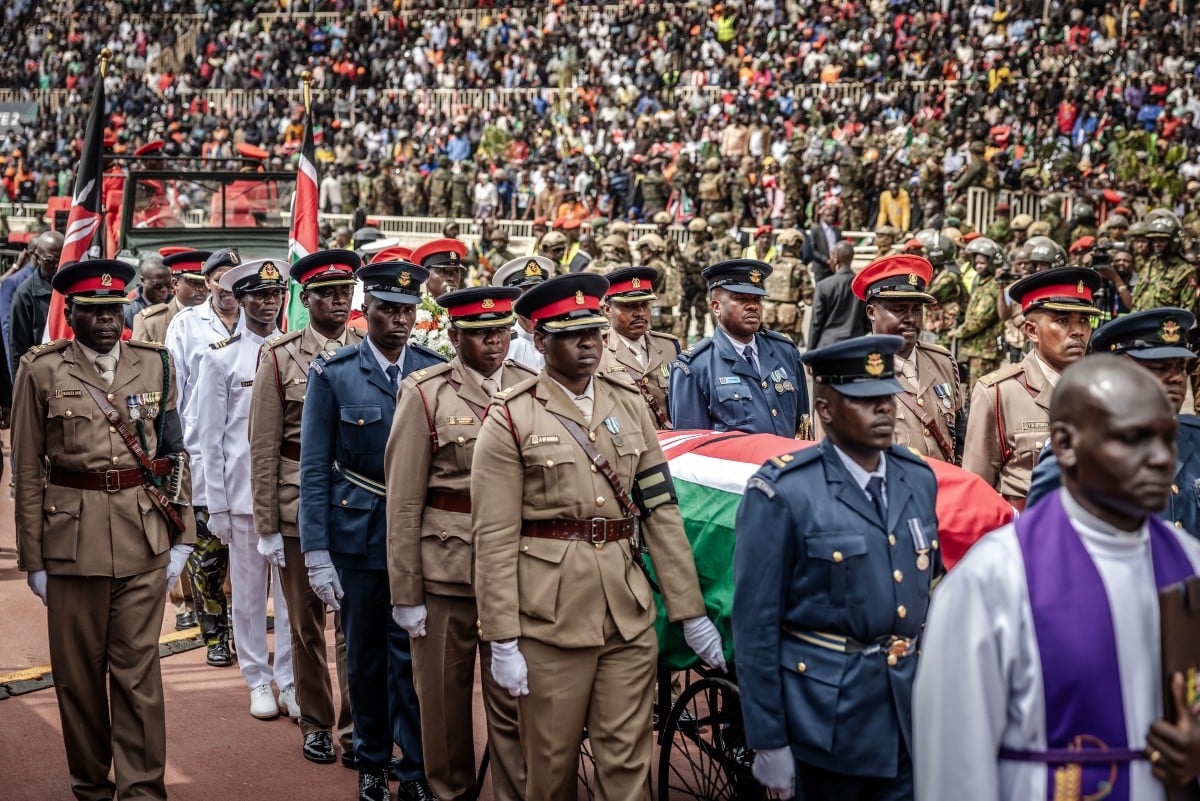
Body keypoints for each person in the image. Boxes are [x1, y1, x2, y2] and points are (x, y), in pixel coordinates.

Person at [471, 273, 725, 801]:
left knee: (627, 766)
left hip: (625, 613)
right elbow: (493, 537)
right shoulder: (512, 415)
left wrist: (690, 611)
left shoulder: (627, 403)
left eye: (593, 331)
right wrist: (502, 638)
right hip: (550, 619)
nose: (589, 343)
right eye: (572, 334)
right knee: (551, 769)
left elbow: (659, 509)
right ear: (541, 340)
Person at [914, 355, 1200, 801]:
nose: (1162, 459)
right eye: (1134, 439)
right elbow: (954, 764)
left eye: (1167, 439)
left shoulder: (1189, 561)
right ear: (1065, 444)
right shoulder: (993, 578)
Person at [13, 258, 195, 801]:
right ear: (72, 314)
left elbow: (174, 452)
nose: (108, 320)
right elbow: (27, 470)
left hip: (143, 536)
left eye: (115, 309)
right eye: (94, 311)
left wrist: (183, 535)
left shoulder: (156, 364)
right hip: (71, 544)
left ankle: (142, 789)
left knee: (139, 673)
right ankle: (91, 785)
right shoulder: (42, 370)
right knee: (79, 677)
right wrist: (33, 560)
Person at [734, 333, 941, 801]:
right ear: (825, 409)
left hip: (907, 708)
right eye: (865, 400)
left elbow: (932, 586)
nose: (883, 409)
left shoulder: (917, 477)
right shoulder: (783, 491)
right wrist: (768, 739)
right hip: (827, 718)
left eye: (888, 397)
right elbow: (755, 625)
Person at [299, 258, 442, 801]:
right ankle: (372, 763)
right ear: (367, 310)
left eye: (408, 311)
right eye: (387, 310)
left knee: (413, 657)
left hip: (419, 536)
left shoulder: (432, 371)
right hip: (357, 534)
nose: (399, 321)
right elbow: (315, 468)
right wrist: (316, 550)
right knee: (364, 656)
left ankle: (416, 768)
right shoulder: (334, 373)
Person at [385, 285, 535, 801]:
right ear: (453, 336)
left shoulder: (531, 386)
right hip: (447, 569)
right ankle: (450, 793)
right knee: (443, 706)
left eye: (502, 331)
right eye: (480, 333)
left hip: (514, 567)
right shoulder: (426, 393)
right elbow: (403, 501)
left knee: (515, 702)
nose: (494, 342)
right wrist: (405, 592)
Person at [249, 250, 363, 764]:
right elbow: (263, 446)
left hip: (357, 504)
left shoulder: (366, 349)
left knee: (355, 625)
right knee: (306, 623)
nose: (338, 301)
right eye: (327, 293)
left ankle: (359, 729)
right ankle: (316, 722)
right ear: (306, 298)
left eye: (345, 292)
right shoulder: (279, 356)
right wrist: (267, 525)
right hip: (297, 504)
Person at [195, 257, 296, 720]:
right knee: (250, 595)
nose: (268, 303)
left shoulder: (295, 353)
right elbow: (209, 439)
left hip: (288, 496)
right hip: (242, 497)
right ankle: (257, 677)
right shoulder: (221, 357)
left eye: (275, 294)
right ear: (241, 299)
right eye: (259, 295)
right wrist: (215, 505)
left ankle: (289, 678)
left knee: (292, 598)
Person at [1026, 309, 1200, 537]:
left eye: (1180, 367)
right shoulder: (1079, 450)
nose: (1176, 378)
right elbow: (1041, 538)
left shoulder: (1195, 437)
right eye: (1160, 367)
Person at [962, 268, 1102, 508]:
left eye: (1084, 320)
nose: (1078, 331)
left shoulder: (1101, 389)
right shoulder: (999, 392)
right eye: (1062, 321)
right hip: (1028, 525)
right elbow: (977, 490)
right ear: (1032, 331)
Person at [164, 247, 243, 667]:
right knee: (207, 553)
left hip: (246, 454)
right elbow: (172, 391)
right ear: (208, 282)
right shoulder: (186, 324)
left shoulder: (259, 320)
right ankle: (215, 634)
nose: (226, 287)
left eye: (234, 279)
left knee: (248, 554)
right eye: (219, 278)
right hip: (199, 451)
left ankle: (244, 629)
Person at [670, 259, 809, 436]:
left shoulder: (785, 351)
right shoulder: (694, 366)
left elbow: (803, 428)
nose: (753, 306)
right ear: (716, 307)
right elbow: (693, 443)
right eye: (741, 299)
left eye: (757, 299)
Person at [853, 255, 962, 462]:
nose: (911, 318)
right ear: (871, 312)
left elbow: (959, 437)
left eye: (917, 309)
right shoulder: (851, 373)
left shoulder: (942, 362)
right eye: (899, 309)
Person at [598, 266, 681, 429]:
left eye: (645, 304)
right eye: (629, 306)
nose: (640, 313)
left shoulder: (668, 347)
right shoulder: (598, 352)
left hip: (671, 440)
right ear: (607, 309)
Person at [951, 236, 1007, 389]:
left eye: (983, 263)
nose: (978, 266)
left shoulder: (992, 286)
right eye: (976, 263)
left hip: (985, 350)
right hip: (978, 348)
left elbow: (981, 318)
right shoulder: (983, 282)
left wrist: (958, 332)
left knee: (980, 389)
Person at [8, 229, 63, 375]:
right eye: (51, 261)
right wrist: (21, 384)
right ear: (38, 258)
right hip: (41, 375)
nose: (57, 266)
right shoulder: (24, 294)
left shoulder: (72, 288)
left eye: (62, 259)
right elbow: (18, 350)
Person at [131, 249, 211, 342]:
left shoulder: (218, 316)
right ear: (175, 283)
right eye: (194, 283)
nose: (202, 288)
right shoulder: (149, 322)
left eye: (205, 282)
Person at [494, 255, 556, 371]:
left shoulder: (559, 339)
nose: (533, 299)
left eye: (538, 291)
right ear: (510, 300)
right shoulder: (502, 345)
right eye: (524, 292)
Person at [809, 240, 868, 350]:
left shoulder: (823, 286)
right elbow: (868, 320)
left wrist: (810, 351)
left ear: (835, 258)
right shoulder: (862, 285)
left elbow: (816, 323)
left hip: (829, 346)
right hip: (856, 345)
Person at [124, 254, 172, 329]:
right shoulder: (128, 311)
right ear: (143, 281)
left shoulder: (175, 304)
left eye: (169, 286)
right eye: (158, 286)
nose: (164, 290)